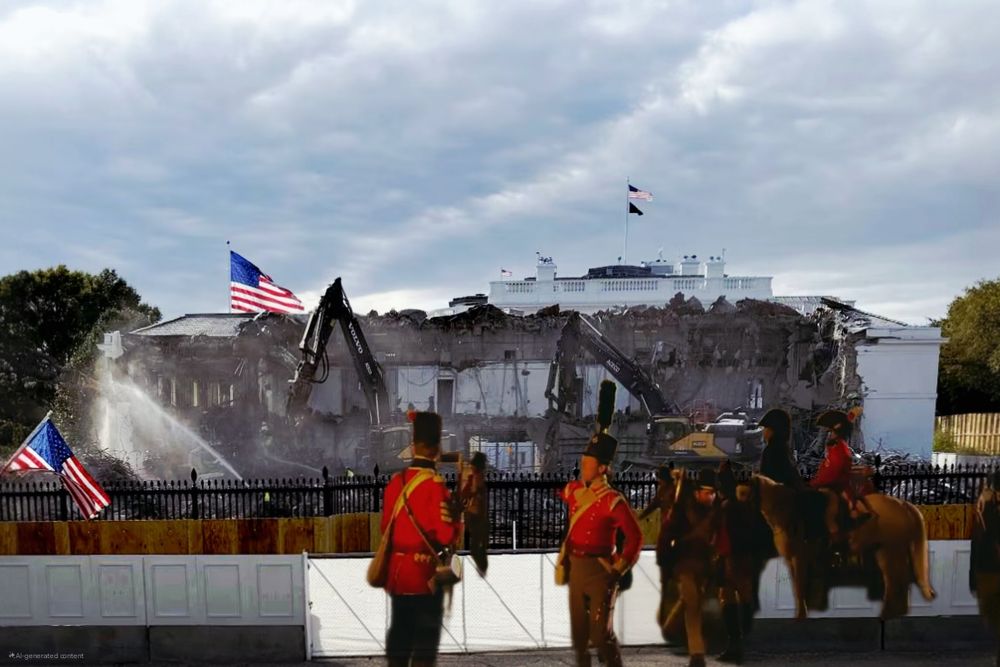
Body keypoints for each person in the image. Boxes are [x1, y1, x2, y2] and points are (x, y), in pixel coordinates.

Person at [381, 412, 462, 667]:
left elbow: (386, 528)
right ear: (436, 449)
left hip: (397, 575)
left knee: (399, 637)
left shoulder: (396, 483)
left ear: (413, 446)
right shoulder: (436, 487)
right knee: (424, 647)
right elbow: (447, 535)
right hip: (424, 576)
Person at [560, 432, 643, 667]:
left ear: (602, 469)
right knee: (579, 635)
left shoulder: (612, 500)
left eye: (588, 463)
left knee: (600, 634)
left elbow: (635, 536)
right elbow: (564, 493)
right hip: (577, 567)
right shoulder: (575, 492)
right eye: (583, 461)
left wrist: (619, 568)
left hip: (601, 568)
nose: (583, 466)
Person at [659, 468, 721, 667]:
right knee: (693, 605)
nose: (710, 496)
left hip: (705, 566)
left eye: (713, 493)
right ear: (697, 493)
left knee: (692, 601)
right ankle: (697, 653)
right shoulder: (683, 510)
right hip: (684, 564)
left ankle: (671, 627)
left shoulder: (717, 513)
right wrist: (666, 562)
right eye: (707, 492)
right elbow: (667, 534)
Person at [810, 409, 872, 545]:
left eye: (830, 432)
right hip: (829, 486)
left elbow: (833, 473)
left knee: (828, 512)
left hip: (836, 487)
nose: (828, 435)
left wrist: (817, 484)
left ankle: (835, 538)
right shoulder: (835, 448)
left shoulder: (840, 449)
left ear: (836, 432)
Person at [757, 408, 803, 488]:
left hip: (778, 496)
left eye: (765, 428)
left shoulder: (771, 451)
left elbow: (768, 480)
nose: (763, 432)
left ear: (773, 430)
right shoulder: (784, 448)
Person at [461, 451, 489, 576]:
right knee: (476, 542)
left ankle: (481, 566)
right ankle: (481, 566)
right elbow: (467, 492)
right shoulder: (476, 477)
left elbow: (469, 492)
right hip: (475, 513)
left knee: (475, 543)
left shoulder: (477, 478)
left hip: (475, 513)